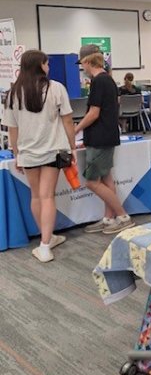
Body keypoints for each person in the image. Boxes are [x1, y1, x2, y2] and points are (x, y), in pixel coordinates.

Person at [1, 49, 76, 262]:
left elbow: (12, 130)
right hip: (53, 151)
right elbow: (68, 121)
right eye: (46, 63)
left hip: (28, 153)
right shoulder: (56, 88)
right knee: (47, 196)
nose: (48, 67)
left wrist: (16, 154)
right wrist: (72, 147)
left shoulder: (13, 93)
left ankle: (46, 240)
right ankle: (45, 243)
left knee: (36, 196)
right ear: (40, 65)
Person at [73, 45, 135, 235]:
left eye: (82, 63)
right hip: (103, 136)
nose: (81, 68)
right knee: (107, 179)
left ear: (87, 61)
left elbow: (94, 113)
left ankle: (123, 216)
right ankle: (109, 219)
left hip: (101, 138)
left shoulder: (99, 81)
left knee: (92, 182)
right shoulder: (107, 80)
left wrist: (75, 130)